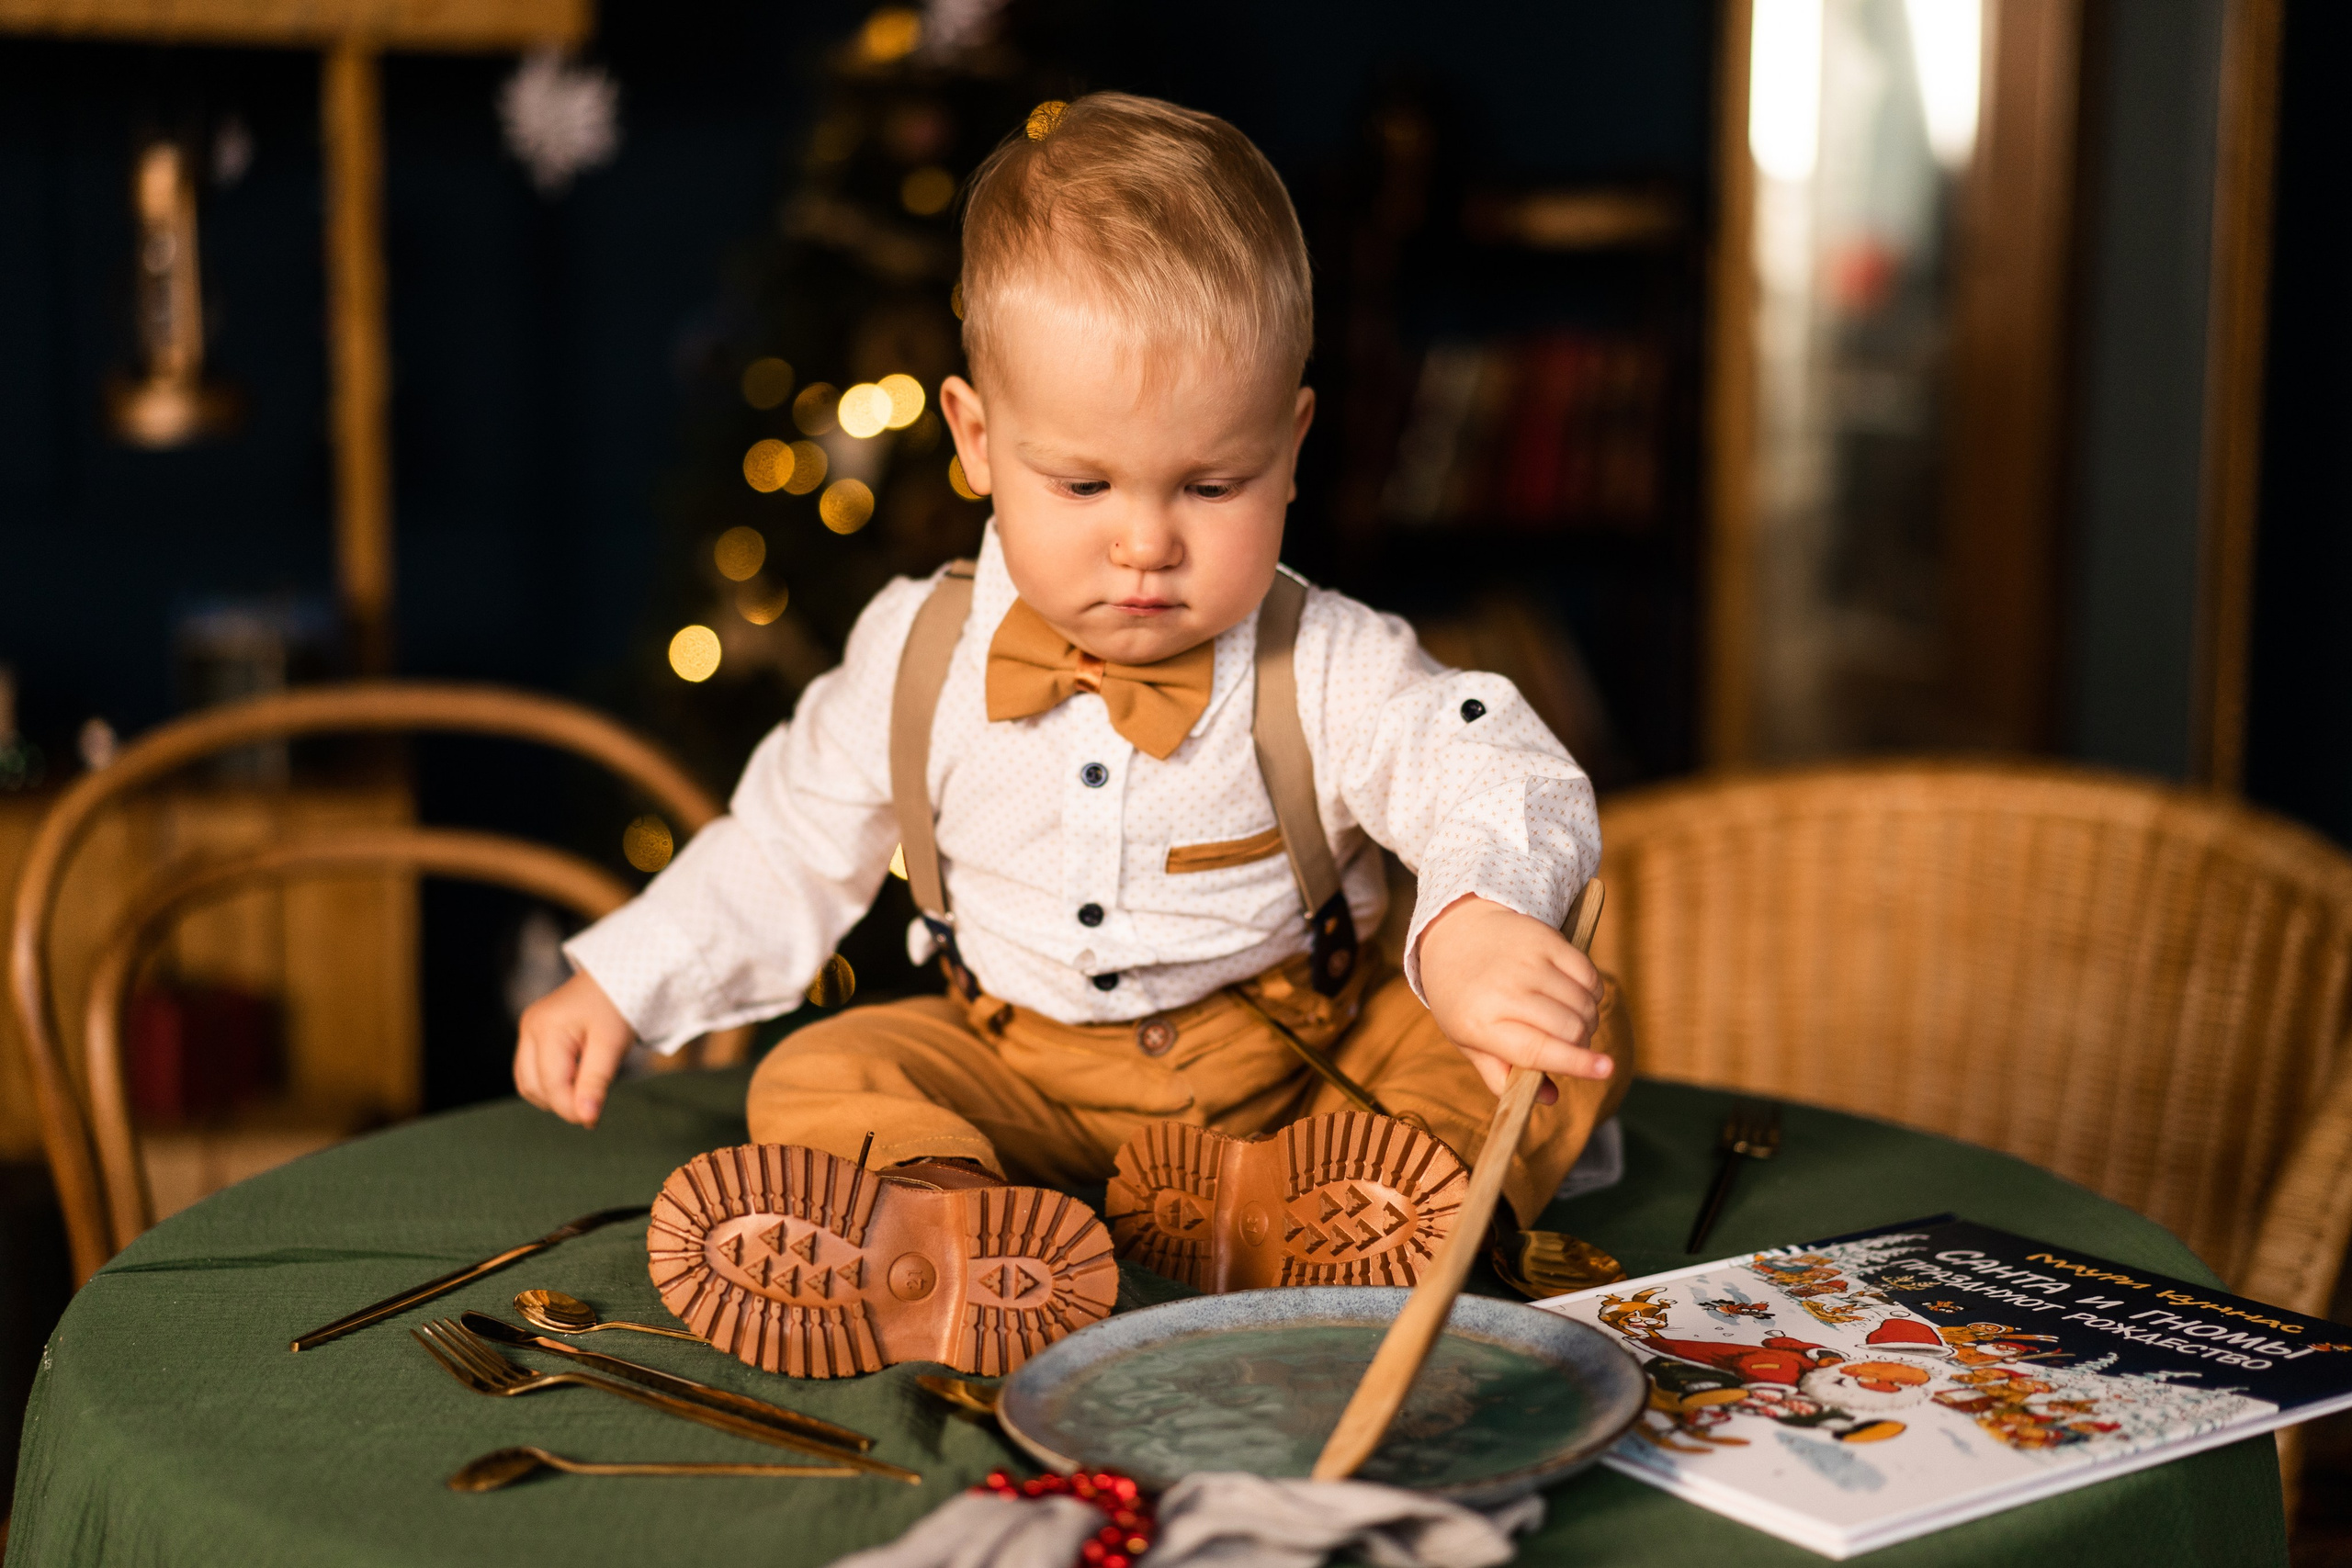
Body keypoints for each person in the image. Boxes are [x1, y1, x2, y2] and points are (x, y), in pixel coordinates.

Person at [513, 92, 1631, 1378]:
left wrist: (1478, 921)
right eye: (1085, 483)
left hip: (1300, 1072)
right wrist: (628, 979)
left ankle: (1333, 1209)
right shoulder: (918, 651)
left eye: (1213, 485)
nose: (1146, 542)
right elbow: (783, 849)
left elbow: (1485, 756)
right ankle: (945, 1216)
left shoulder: (1322, 658)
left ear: (1291, 450)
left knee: (1550, 1045)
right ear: (978, 441)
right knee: (822, 1069)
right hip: (1018, 1086)